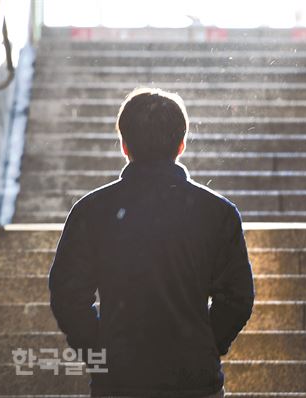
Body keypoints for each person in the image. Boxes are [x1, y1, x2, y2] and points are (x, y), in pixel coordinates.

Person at [49, 87, 254, 397]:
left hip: (119, 379)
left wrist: (101, 350)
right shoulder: (218, 213)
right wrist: (205, 345)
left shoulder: (91, 211)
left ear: (124, 145)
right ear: (181, 144)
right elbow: (237, 298)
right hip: (194, 378)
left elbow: (67, 294)